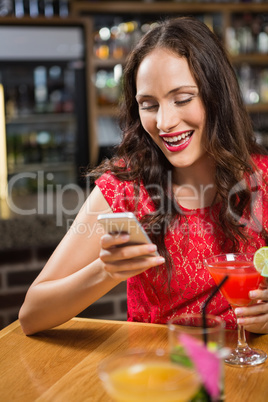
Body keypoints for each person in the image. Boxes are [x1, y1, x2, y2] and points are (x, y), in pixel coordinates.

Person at [19, 17, 268, 336]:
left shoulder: (260, 176)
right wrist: (106, 271)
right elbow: (31, 315)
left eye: (182, 99)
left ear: (217, 94)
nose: (164, 122)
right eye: (149, 105)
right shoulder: (126, 188)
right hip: (161, 375)